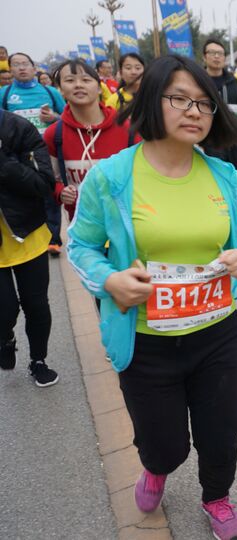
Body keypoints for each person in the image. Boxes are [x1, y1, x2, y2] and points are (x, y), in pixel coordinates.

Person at [67, 55, 237, 540]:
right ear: (151, 101)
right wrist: (109, 281)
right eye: (179, 99)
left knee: (222, 434)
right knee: (164, 444)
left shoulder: (223, 175)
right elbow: (79, 246)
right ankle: (156, 469)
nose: (195, 111)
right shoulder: (112, 177)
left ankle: (217, 498)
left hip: (217, 332)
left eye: (203, 102)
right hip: (145, 340)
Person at [0, 108, 59, 387]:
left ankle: (38, 360)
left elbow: (43, 184)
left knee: (36, 305)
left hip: (28, 234)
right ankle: (5, 337)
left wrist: (4, 163)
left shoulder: (18, 128)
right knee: (4, 310)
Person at [43, 59, 137, 222]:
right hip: (81, 228)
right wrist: (60, 192)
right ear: (61, 90)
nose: (78, 85)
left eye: (86, 80)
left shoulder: (127, 129)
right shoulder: (54, 134)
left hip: (126, 222)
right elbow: (50, 179)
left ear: (100, 88)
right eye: (70, 80)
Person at [1, 52, 67, 256]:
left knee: (49, 193)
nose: (21, 68)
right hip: (17, 158)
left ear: (33, 67)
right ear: (10, 69)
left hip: (47, 152)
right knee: (24, 194)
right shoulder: (4, 93)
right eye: (16, 65)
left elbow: (66, 117)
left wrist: (54, 117)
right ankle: (27, 234)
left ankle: (54, 239)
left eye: (25, 64)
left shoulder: (49, 91)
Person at [202, 38, 237, 172]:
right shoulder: (199, 82)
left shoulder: (233, 82)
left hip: (232, 137)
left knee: (235, 173)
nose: (216, 57)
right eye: (212, 53)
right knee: (215, 174)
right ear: (204, 57)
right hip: (210, 137)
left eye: (220, 54)